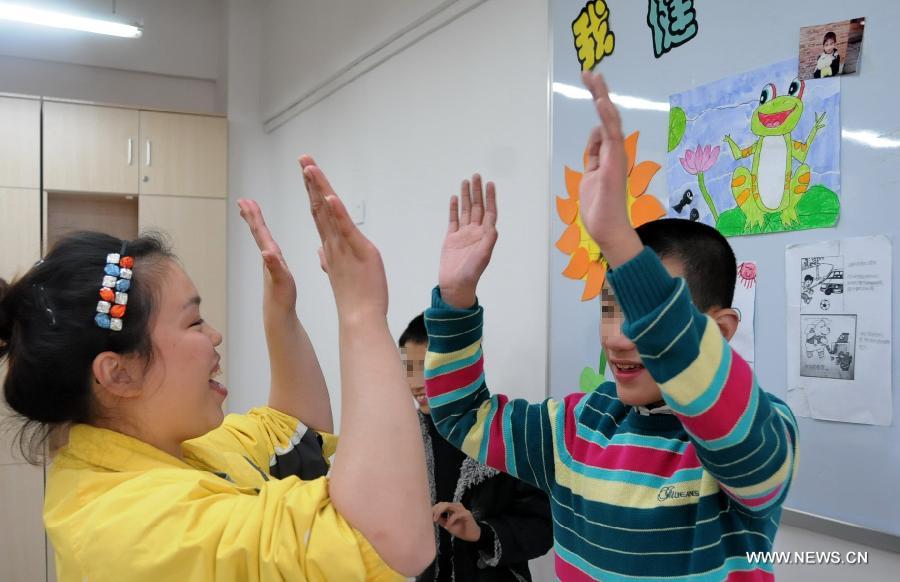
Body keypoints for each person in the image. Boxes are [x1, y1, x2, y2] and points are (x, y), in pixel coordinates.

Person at [421, 72, 798, 580]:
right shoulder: (576, 426)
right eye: (607, 308)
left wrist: (620, 240)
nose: (617, 337)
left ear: (721, 331)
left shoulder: (759, 430)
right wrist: (456, 297)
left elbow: (724, 420)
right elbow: (462, 416)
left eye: (642, 312)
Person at [0, 156, 434, 581]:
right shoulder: (135, 531)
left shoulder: (178, 449)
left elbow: (293, 433)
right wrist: (361, 313)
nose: (214, 335)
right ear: (119, 373)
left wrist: (280, 316)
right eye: (193, 322)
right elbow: (387, 543)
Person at [400, 314, 552, 581]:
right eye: (407, 368)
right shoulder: (403, 439)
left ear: (463, 365)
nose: (414, 383)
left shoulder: (507, 432)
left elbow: (542, 527)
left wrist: (481, 532)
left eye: (425, 368)